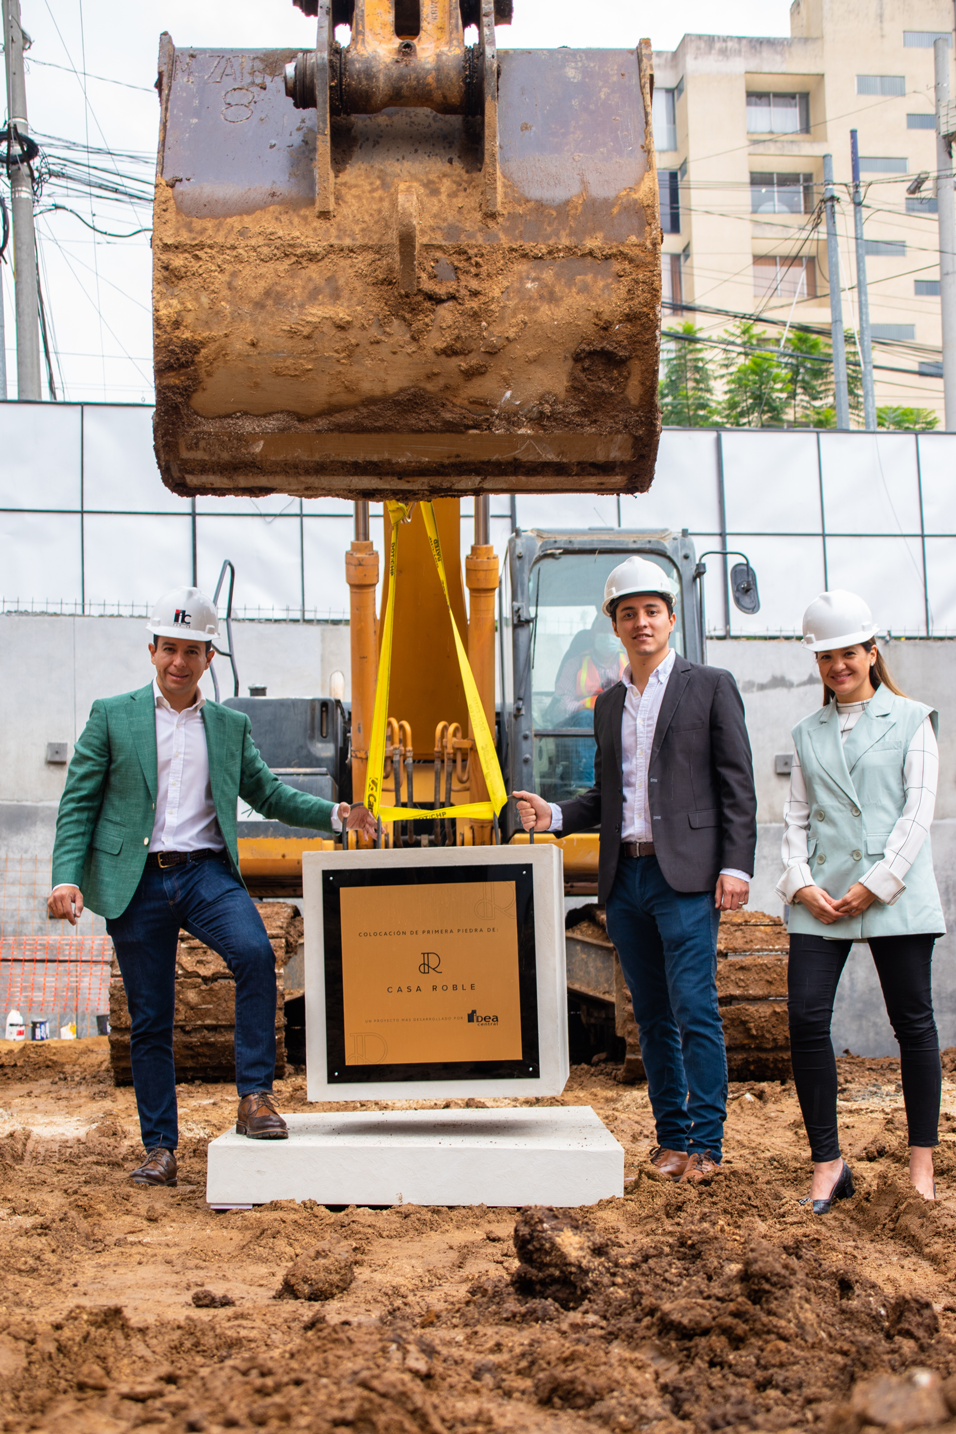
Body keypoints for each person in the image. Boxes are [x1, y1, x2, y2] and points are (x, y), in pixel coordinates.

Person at [48, 585, 376, 1188]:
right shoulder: (111, 715)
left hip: (205, 873)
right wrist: (67, 876)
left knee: (255, 954)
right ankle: (160, 1150)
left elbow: (269, 794)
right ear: (151, 650)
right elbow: (78, 804)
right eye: (168, 648)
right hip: (136, 881)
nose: (178, 661)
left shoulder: (228, 726)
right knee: (150, 1019)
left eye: (192, 651)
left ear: (209, 659)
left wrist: (338, 815)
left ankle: (254, 1099)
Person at [514, 555, 757, 1183]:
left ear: (671, 619)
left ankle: (707, 1146)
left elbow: (737, 786)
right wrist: (556, 815)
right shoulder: (608, 705)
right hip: (628, 882)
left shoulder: (710, 685)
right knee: (650, 1017)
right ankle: (672, 1141)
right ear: (614, 626)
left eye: (652, 611)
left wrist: (736, 866)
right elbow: (608, 795)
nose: (641, 622)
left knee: (694, 1009)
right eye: (629, 614)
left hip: (688, 878)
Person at [777, 590, 944, 1212]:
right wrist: (799, 883)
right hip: (822, 897)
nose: (837, 666)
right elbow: (795, 818)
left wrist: (875, 884)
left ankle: (921, 1165)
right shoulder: (806, 732)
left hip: (890, 892)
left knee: (913, 1023)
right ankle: (828, 1165)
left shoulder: (912, 719)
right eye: (825, 657)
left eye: (848, 653)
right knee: (805, 1018)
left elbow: (917, 811)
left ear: (872, 653)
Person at [548, 613, 627, 724]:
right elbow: (562, 704)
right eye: (603, 630)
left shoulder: (631, 666)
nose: (608, 635)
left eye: (612, 630)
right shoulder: (575, 664)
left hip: (618, 723)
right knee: (585, 717)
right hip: (583, 726)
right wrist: (589, 710)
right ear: (593, 635)